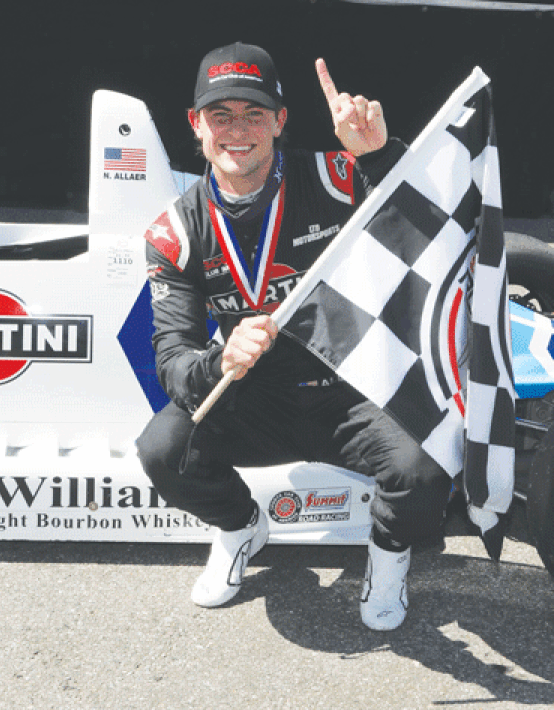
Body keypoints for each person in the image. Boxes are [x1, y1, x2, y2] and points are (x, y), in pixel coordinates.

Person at [137, 42, 453, 631]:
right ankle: (239, 527)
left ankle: (387, 557)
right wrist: (220, 358)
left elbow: (433, 224)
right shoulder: (175, 230)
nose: (238, 131)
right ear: (195, 125)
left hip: (353, 385)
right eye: (221, 115)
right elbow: (173, 361)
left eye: (254, 114)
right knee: (162, 451)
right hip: (253, 393)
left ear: (280, 121)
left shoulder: (335, 178)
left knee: (424, 467)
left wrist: (380, 156)